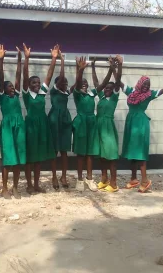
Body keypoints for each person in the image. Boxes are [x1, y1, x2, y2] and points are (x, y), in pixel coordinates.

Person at [121, 65, 163, 192]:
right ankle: (134, 179)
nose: (147, 86)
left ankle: (145, 180)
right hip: (131, 123)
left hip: (141, 125)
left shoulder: (149, 95)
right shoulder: (131, 92)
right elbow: (119, 82)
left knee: (139, 152)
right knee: (131, 151)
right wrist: (116, 67)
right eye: (145, 84)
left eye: (148, 84)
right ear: (140, 83)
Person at [72, 56, 112, 192]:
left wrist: (111, 70)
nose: (84, 84)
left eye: (85, 83)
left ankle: (89, 179)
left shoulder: (91, 94)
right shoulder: (77, 95)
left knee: (90, 153)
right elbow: (77, 83)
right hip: (81, 123)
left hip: (91, 123)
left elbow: (103, 83)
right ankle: (79, 179)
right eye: (82, 83)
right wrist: (81, 70)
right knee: (80, 154)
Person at [22, 43, 58, 194]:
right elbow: (24, 75)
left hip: (42, 125)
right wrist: (26, 58)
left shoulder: (42, 93)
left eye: (38, 82)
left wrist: (54, 59)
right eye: (33, 83)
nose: (37, 84)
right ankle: (29, 184)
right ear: (29, 85)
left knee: (38, 158)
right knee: (30, 158)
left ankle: (36, 184)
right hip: (30, 126)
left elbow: (49, 76)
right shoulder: (26, 94)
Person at [0, 44, 26, 199]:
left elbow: (18, 75)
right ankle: (5, 188)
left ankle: (15, 187)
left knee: (18, 159)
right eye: (9, 86)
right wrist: (0, 60)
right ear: (4, 88)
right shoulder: (2, 97)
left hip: (19, 126)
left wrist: (20, 59)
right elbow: (1, 78)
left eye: (12, 86)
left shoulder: (16, 95)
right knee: (8, 159)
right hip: (7, 128)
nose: (12, 87)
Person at [93, 56, 121, 192]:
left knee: (111, 156)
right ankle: (104, 179)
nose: (107, 89)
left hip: (108, 129)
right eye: (106, 88)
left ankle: (114, 183)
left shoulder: (114, 98)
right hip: (99, 128)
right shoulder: (102, 98)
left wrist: (116, 67)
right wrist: (92, 67)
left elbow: (118, 80)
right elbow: (96, 82)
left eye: (110, 88)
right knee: (102, 156)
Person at [48, 51, 71, 190]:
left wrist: (80, 70)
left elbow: (77, 82)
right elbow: (61, 77)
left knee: (64, 151)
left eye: (67, 83)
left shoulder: (66, 92)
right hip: (54, 119)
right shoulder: (54, 91)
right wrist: (61, 60)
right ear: (57, 84)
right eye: (63, 82)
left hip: (65, 119)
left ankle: (63, 176)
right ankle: (54, 176)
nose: (65, 83)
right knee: (55, 150)